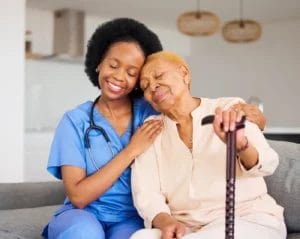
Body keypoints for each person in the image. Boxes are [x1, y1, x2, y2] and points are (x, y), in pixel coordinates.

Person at [42, 18, 266, 239]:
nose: (120, 77)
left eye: (132, 73)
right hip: (83, 214)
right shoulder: (74, 121)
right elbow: (79, 196)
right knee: (83, 234)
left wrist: (244, 112)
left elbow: (194, 111)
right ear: (99, 63)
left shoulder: (152, 112)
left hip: (132, 218)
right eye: (113, 65)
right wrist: (131, 150)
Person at [130, 51, 286, 239]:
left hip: (247, 219)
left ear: (184, 74)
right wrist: (166, 221)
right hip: (187, 227)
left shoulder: (229, 108)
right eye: (145, 86)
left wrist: (240, 145)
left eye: (159, 76)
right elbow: (147, 192)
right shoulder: (151, 130)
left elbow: (268, 163)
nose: (153, 87)